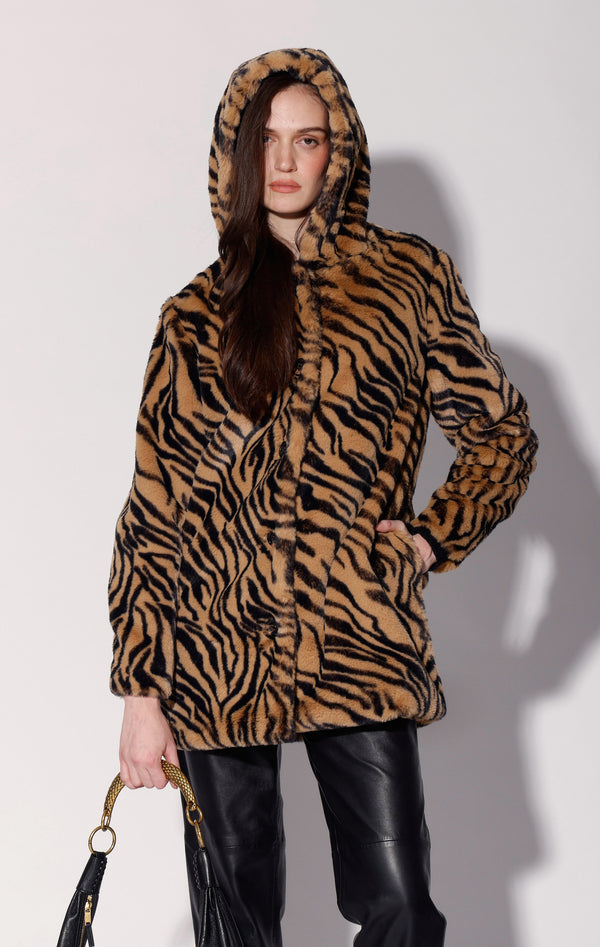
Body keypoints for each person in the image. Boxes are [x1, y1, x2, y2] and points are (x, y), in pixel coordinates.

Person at [109, 48, 538, 947]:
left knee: (400, 904)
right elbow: (153, 515)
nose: (285, 160)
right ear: (236, 154)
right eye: (266, 140)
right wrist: (141, 692)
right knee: (236, 923)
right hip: (218, 649)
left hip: (358, 634)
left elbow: (502, 436)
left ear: (340, 151)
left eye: (308, 139)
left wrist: (426, 540)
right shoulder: (194, 317)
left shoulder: (407, 281)